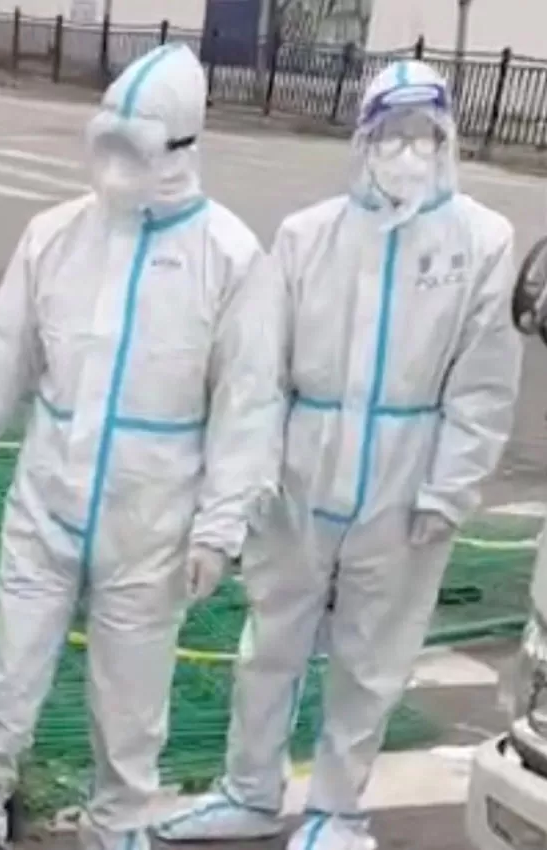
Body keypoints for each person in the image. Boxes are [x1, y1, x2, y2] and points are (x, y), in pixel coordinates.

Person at [0, 43, 285, 850]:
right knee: (10, 666)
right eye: (105, 147)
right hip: (49, 495)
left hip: (151, 518)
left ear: (180, 148)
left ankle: (118, 820)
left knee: (132, 695)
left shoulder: (229, 257)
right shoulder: (55, 236)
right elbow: (0, 356)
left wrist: (222, 528)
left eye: (134, 151)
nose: (113, 169)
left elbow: (248, 405)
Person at [154, 59, 522, 850]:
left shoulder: (480, 242)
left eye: (425, 136)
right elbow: (261, 377)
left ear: (447, 139)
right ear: (363, 140)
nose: (408, 151)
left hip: (405, 477)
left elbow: (485, 384)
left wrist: (447, 490)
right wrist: (244, 485)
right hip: (301, 476)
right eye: (392, 135)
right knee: (270, 645)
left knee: (371, 659)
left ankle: (335, 810)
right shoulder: (309, 237)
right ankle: (250, 791)